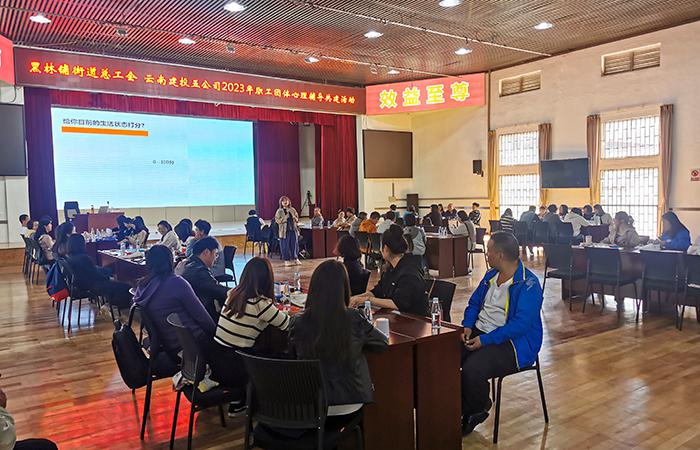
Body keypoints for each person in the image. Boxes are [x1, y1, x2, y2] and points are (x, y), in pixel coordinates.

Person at [460, 231, 543, 434]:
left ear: (500, 255)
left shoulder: (529, 284)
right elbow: (474, 303)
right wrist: (467, 326)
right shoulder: (490, 276)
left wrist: (485, 340)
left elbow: (520, 325)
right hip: (481, 331)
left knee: (473, 368)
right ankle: (459, 403)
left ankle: (476, 409)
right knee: (441, 356)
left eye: (489, 251)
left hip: (513, 343)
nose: (486, 254)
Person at [289, 260, 388, 417]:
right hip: (349, 401)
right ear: (344, 289)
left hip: (311, 403)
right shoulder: (354, 318)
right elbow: (382, 343)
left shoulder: (298, 321)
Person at [214, 257, 291, 389]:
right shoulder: (259, 305)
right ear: (267, 280)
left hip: (218, 361)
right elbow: (289, 325)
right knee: (282, 355)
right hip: (237, 367)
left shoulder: (232, 294)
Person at [133, 245, 215, 358]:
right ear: (171, 261)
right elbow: (203, 318)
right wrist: (217, 333)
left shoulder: (142, 286)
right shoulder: (177, 283)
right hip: (192, 345)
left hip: (167, 344)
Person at [350, 225, 428, 316]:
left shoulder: (409, 272)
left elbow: (398, 304)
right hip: (396, 316)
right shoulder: (391, 268)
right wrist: (355, 298)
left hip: (413, 319)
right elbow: (377, 292)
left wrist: (367, 299)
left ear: (385, 249)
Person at [66, 234, 133, 309]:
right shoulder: (83, 258)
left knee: (110, 271)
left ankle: (112, 303)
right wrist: (109, 273)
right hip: (91, 285)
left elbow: (92, 270)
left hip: (81, 285)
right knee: (126, 286)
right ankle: (120, 307)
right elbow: (95, 274)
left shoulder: (70, 258)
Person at [181, 236, 230, 319]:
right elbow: (218, 290)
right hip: (202, 317)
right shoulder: (198, 271)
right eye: (215, 254)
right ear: (206, 252)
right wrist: (241, 291)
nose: (216, 259)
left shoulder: (190, 264)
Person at [275, 196, 301, 266]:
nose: (285, 202)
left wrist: (295, 218)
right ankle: (286, 260)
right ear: (281, 203)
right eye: (283, 201)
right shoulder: (279, 211)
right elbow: (277, 220)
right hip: (284, 231)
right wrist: (285, 218)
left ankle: (295, 258)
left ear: (289, 202)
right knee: (285, 246)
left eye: (286, 200)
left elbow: (297, 219)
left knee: (294, 245)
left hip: (293, 229)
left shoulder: (293, 209)